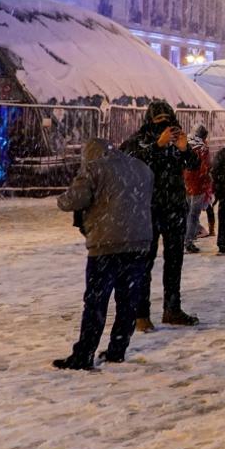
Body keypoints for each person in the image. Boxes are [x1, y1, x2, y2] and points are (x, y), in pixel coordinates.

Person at [53, 139, 154, 370]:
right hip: (139, 243)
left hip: (106, 243)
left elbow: (74, 200)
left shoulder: (94, 168)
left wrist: (61, 200)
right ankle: (118, 349)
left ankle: (84, 354)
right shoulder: (141, 167)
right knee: (128, 301)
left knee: (96, 302)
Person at [120, 101, 201, 330]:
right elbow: (131, 164)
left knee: (174, 262)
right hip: (147, 209)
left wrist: (184, 148)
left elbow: (194, 166)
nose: (164, 124)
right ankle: (140, 314)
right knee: (144, 264)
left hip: (174, 208)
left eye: (167, 119)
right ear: (150, 121)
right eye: (159, 120)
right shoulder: (139, 141)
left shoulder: (176, 141)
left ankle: (172, 309)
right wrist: (157, 145)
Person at [182, 125, 213, 252]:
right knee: (193, 215)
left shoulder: (185, 145)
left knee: (187, 212)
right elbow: (205, 169)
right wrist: (208, 182)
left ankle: (186, 237)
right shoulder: (202, 149)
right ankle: (188, 241)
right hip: (198, 185)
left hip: (186, 184)